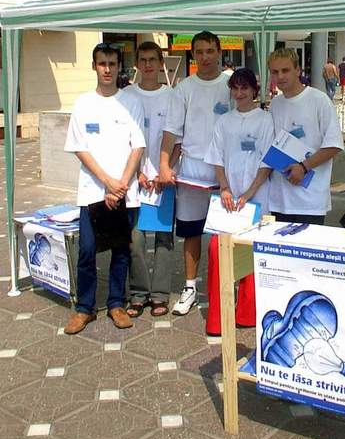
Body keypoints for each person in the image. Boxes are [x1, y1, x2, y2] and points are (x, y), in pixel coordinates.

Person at [64, 43, 145, 334]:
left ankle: (116, 304)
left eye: (112, 63)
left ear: (119, 66)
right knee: (87, 250)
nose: (107, 69)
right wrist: (107, 182)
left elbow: (138, 146)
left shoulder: (131, 101)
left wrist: (120, 184)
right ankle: (84, 308)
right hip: (93, 190)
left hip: (124, 191)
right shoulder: (83, 103)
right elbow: (79, 148)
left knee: (120, 250)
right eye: (102, 63)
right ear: (94, 66)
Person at [159, 31, 231, 316]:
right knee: (191, 232)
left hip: (226, 174)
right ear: (193, 54)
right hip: (191, 172)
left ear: (219, 52)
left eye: (210, 51)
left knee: (224, 235)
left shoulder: (231, 85)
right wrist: (165, 165)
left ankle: (226, 289)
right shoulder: (184, 88)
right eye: (199, 52)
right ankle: (190, 287)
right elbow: (171, 130)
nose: (205, 57)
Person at [204, 68, 274, 335]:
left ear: (254, 90)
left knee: (253, 254)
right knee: (217, 252)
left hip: (257, 198)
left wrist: (249, 192)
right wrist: (224, 188)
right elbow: (217, 158)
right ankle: (217, 319)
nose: (239, 93)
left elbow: (267, 161)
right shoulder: (224, 122)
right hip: (228, 201)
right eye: (235, 88)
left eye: (245, 88)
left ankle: (247, 313)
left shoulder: (265, 120)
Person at [121, 42, 180, 318]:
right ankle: (138, 293)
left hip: (163, 180)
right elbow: (121, 140)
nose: (147, 65)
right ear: (137, 64)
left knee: (164, 239)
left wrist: (166, 170)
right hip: (135, 180)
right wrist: (138, 173)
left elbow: (179, 139)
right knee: (135, 239)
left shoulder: (172, 96)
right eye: (142, 60)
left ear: (161, 63)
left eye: (152, 60)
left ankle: (160, 295)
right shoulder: (126, 95)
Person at [267, 48, 344, 225]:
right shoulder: (275, 104)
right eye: (275, 72)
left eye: (285, 70)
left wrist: (304, 167)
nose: (280, 76)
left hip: (310, 202)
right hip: (279, 200)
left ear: (297, 70)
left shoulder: (319, 100)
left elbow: (334, 144)